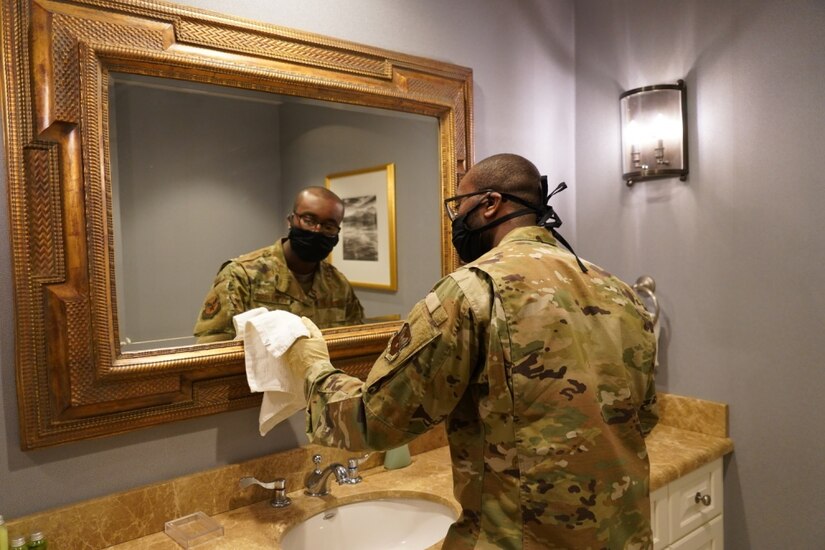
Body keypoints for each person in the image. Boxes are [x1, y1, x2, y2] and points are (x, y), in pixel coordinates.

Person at [287, 154, 659, 549]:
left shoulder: (472, 292)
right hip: (625, 536)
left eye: (458, 205)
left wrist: (309, 362)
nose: (456, 219)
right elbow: (644, 416)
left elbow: (374, 421)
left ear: (489, 203)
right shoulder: (619, 292)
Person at [193, 186, 364, 342]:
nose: (316, 230)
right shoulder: (241, 276)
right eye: (309, 220)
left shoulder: (338, 284)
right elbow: (211, 351)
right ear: (290, 220)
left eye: (329, 226)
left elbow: (356, 343)